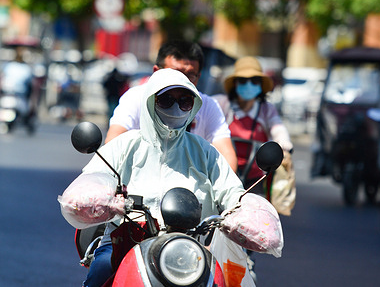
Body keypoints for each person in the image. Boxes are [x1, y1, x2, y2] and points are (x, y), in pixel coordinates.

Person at [64, 69, 246, 287]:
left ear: (194, 106)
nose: (176, 108)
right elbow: (95, 177)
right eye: (166, 100)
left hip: (188, 247)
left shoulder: (204, 151)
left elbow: (231, 190)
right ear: (151, 102)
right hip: (124, 239)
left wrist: (245, 211)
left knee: (220, 280)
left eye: (185, 101)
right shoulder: (125, 144)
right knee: (101, 269)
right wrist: (102, 199)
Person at [105, 40, 238, 172]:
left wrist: (226, 188)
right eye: (165, 101)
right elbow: (113, 143)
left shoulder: (208, 105)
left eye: (190, 76)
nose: (182, 82)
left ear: (199, 77)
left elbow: (226, 155)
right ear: (156, 71)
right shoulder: (135, 97)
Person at [213, 56, 295, 216]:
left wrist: (284, 144)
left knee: (257, 216)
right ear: (235, 84)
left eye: (254, 81)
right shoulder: (222, 104)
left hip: (255, 177)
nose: (248, 85)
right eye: (243, 81)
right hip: (225, 173)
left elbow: (278, 128)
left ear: (260, 86)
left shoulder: (266, 109)